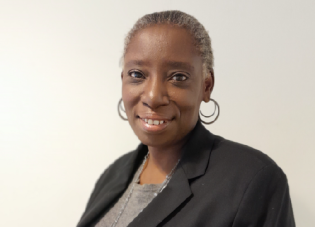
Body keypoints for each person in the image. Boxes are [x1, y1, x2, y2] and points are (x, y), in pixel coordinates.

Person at [77, 10, 295, 227]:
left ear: (206, 86)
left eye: (178, 77)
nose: (153, 97)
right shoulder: (114, 174)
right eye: (137, 74)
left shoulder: (252, 180)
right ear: (123, 79)